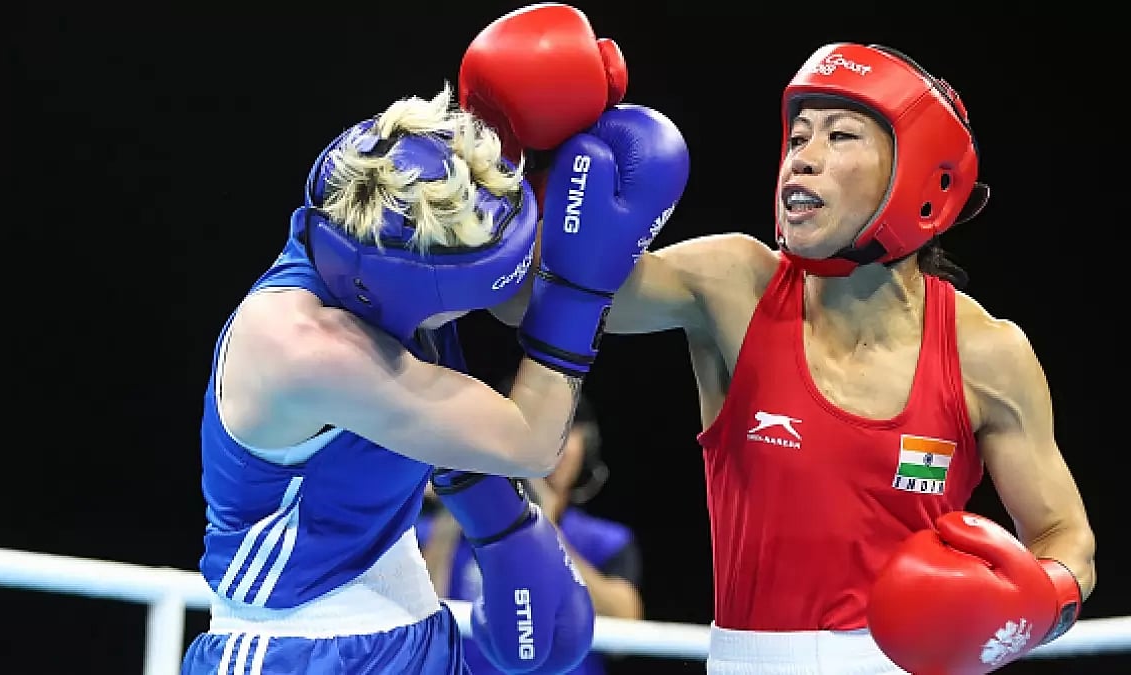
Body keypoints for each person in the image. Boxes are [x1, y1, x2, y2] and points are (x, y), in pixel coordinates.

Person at [488, 42, 1096, 674]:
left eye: (841, 136)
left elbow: (1066, 538)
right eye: (798, 135)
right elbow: (523, 302)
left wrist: (1034, 603)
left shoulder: (986, 353)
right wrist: (526, 162)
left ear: (922, 174)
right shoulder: (734, 286)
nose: (802, 158)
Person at [179, 5, 691, 673]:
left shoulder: (386, 207)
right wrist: (579, 287)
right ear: (409, 285)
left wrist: (536, 135)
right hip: (294, 650)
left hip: (415, 623)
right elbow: (530, 439)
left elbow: (474, 225)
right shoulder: (306, 347)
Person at [418, 383, 645, 675]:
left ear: (585, 448)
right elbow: (423, 626)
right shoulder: (432, 533)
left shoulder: (604, 541)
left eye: (565, 431)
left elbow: (626, 633)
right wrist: (456, 504)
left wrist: (544, 532)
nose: (550, 446)